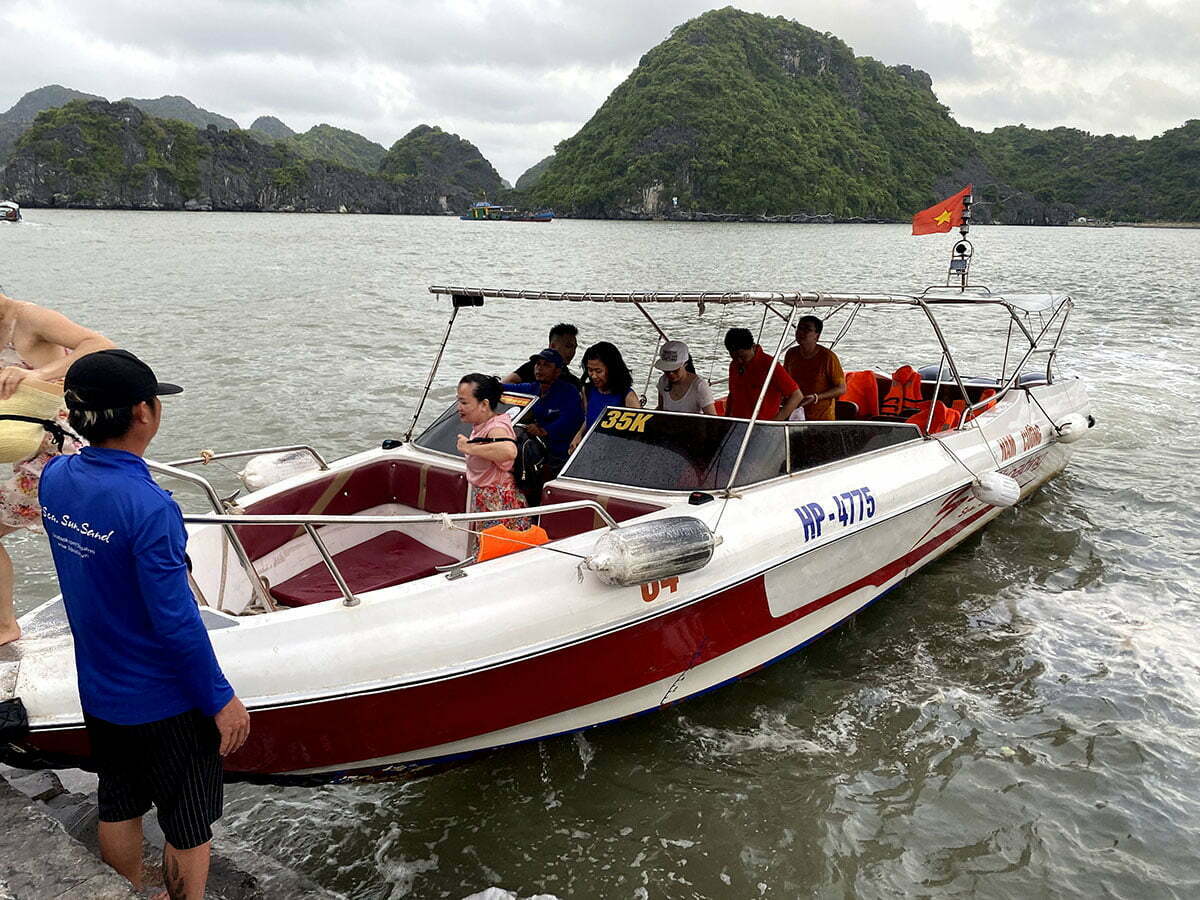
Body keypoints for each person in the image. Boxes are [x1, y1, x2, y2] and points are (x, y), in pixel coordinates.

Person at [38, 349, 250, 899]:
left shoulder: (56, 477)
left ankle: (123, 891)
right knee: (187, 824)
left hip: (101, 687)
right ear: (144, 412)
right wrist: (219, 698)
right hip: (166, 701)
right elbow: (175, 620)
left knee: (119, 799)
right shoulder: (150, 507)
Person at [0, 288, 113, 646]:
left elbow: (98, 344)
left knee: (90, 539)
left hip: (61, 452)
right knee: (88, 539)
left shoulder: (29, 318)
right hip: (29, 449)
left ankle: (6, 625)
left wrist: (39, 374)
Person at [455, 373, 531, 531]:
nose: (459, 408)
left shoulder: (496, 428)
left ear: (484, 404)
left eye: (464, 402)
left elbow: (509, 451)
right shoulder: (482, 424)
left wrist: (469, 447)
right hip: (487, 501)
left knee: (497, 552)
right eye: (458, 401)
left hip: (501, 505)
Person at [509, 347, 583, 480]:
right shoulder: (532, 388)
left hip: (560, 454)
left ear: (557, 371)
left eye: (546, 365)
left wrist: (544, 430)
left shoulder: (569, 391)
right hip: (538, 449)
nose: (539, 368)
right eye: (538, 364)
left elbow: (569, 419)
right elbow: (505, 388)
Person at [571, 341, 641, 451]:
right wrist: (579, 434)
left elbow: (637, 435)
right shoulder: (587, 390)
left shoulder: (627, 397)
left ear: (612, 370)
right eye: (590, 370)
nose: (593, 376)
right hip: (590, 449)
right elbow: (588, 418)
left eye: (598, 371)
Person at [723, 327, 802, 421]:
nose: (739, 360)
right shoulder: (734, 365)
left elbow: (797, 395)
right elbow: (732, 395)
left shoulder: (769, 365)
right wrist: (726, 420)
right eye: (734, 357)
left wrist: (775, 422)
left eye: (742, 356)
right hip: (738, 424)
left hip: (763, 425)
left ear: (752, 347)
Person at [783, 315, 846, 421]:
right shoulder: (791, 353)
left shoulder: (828, 357)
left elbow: (841, 388)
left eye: (807, 329)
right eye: (799, 328)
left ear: (817, 336)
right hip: (795, 414)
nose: (801, 332)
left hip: (821, 418)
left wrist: (816, 397)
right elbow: (785, 381)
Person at [503, 323, 580, 387]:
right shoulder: (534, 366)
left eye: (574, 347)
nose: (572, 352)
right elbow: (506, 383)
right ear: (552, 346)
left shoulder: (571, 379)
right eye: (568, 346)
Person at [654, 339, 717, 415]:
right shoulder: (663, 381)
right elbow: (660, 409)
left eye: (675, 370)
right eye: (666, 371)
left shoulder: (699, 386)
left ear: (685, 365)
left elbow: (712, 417)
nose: (671, 374)